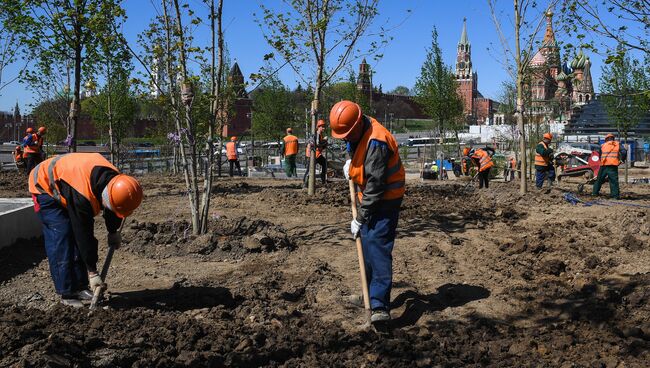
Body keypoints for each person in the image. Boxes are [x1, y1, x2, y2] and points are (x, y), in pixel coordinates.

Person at [28, 153, 143, 307]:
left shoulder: (116, 181)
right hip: (44, 185)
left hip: (67, 180)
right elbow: (83, 233)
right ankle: (67, 292)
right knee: (63, 236)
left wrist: (113, 231)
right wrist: (93, 271)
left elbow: (112, 208)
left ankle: (81, 287)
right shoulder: (82, 194)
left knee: (75, 239)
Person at [330, 100, 404, 324]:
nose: (345, 140)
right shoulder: (359, 130)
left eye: (347, 136)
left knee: (378, 247)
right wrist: (351, 164)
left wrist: (360, 218)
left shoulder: (377, 141)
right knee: (368, 245)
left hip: (385, 198)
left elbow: (376, 185)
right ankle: (369, 293)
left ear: (357, 125)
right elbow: (356, 151)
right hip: (370, 198)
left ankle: (380, 306)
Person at [592, 133, 626, 199]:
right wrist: (622, 160)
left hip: (604, 165)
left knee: (599, 180)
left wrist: (601, 161)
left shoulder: (603, 145)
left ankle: (594, 193)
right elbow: (624, 151)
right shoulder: (617, 144)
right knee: (613, 181)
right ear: (613, 138)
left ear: (606, 139)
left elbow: (599, 155)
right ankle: (615, 196)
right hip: (613, 165)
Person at [303, 119, 329, 185]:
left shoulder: (320, 135)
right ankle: (305, 183)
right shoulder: (316, 134)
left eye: (324, 126)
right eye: (322, 127)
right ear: (318, 127)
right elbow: (317, 144)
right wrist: (324, 141)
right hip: (312, 154)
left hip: (316, 154)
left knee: (324, 163)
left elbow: (320, 146)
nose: (324, 128)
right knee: (310, 169)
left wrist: (324, 143)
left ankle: (323, 179)